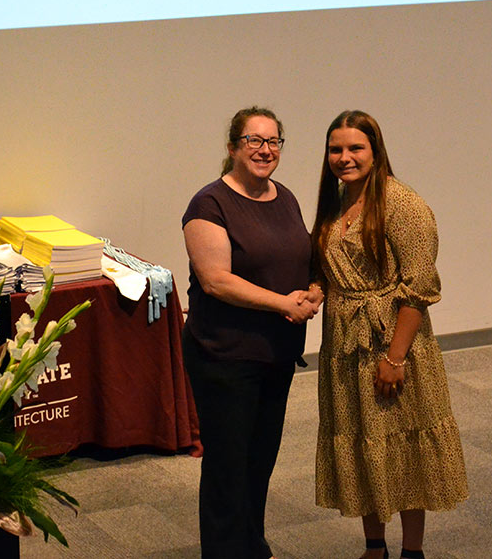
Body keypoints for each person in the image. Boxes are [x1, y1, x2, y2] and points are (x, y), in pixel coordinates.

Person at [310, 110, 468, 559]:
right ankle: (374, 547)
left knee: (404, 447)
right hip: (345, 345)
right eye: (336, 149)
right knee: (364, 441)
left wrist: (395, 358)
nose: (344, 157)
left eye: (355, 148)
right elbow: (326, 265)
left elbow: (419, 289)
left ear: (376, 152)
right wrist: (315, 290)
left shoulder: (404, 204)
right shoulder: (337, 200)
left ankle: (412, 551)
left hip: (394, 344)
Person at [182, 106, 319, 558]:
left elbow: (303, 256)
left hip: (275, 355)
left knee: (258, 463)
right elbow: (215, 280)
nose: (265, 150)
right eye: (254, 141)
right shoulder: (209, 204)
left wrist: (315, 292)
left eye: (273, 141)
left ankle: (251, 546)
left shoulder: (285, 197)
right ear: (233, 148)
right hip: (225, 357)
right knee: (228, 467)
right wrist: (285, 304)